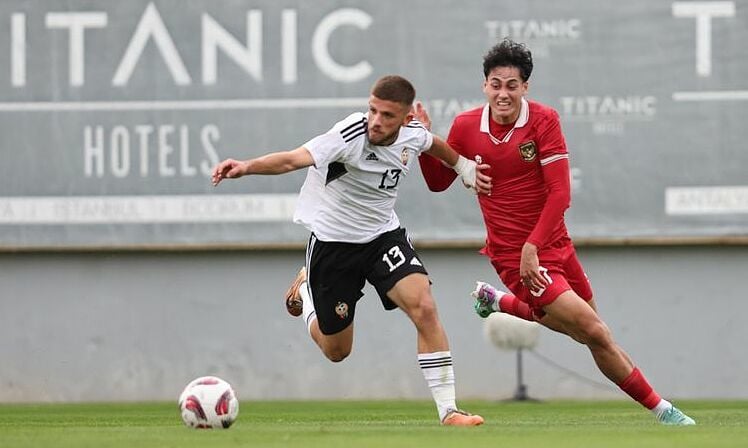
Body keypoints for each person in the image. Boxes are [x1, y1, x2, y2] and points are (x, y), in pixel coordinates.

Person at [416, 39, 695, 425]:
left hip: (553, 246)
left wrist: (536, 246)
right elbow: (436, 184)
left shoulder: (543, 120)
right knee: (594, 331)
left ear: (524, 88)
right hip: (513, 256)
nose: (503, 93)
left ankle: (499, 302)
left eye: (512, 85)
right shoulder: (465, 126)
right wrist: (425, 144)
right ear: (485, 86)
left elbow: (560, 193)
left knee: (593, 335)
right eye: (496, 84)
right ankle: (665, 412)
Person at [212, 75, 488, 426]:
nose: (376, 120)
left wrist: (464, 168)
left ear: (405, 119)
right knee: (337, 350)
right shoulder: (349, 135)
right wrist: (247, 167)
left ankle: (449, 411)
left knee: (425, 307)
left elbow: (434, 144)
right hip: (333, 246)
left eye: (387, 115)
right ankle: (308, 290)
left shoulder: (412, 133)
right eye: (372, 110)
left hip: (382, 239)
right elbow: (293, 159)